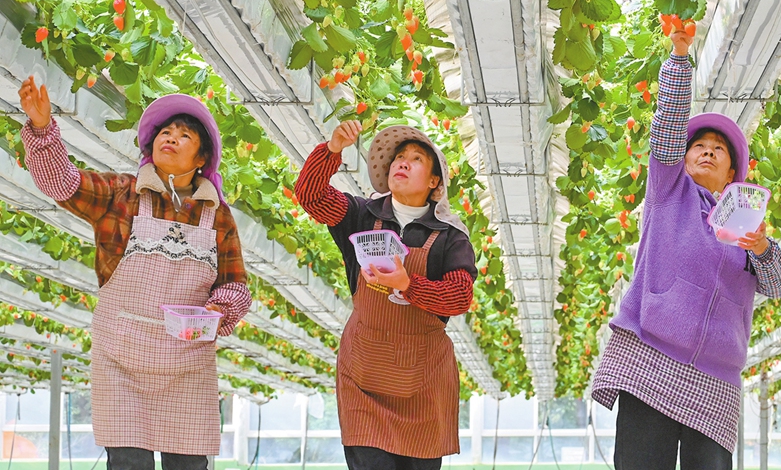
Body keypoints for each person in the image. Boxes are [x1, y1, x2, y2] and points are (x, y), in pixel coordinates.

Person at [590, 22, 781, 470]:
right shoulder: (668, 194)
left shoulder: (747, 222)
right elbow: (665, 128)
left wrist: (762, 247)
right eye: (698, 145)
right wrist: (679, 59)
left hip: (715, 378)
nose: (707, 151)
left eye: (719, 150)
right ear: (681, 160)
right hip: (651, 356)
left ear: (732, 174)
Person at [19, 79, 251, 470]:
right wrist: (43, 129)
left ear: (201, 159)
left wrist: (217, 309)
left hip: (186, 362)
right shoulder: (121, 194)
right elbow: (64, 183)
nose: (171, 138)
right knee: (127, 461)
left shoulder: (217, 215)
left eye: (184, 135)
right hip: (121, 358)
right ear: (151, 146)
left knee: (190, 465)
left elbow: (234, 285)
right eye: (165, 132)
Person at [294, 120, 477, 470]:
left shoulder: (451, 237)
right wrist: (332, 150)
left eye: (416, 159)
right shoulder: (362, 215)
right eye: (398, 158)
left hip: (423, 382)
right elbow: (311, 197)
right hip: (364, 375)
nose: (402, 163)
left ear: (435, 181)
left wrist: (408, 285)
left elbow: (458, 297)